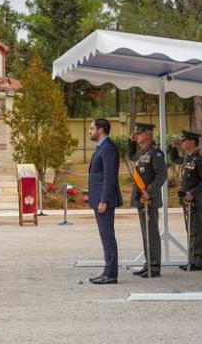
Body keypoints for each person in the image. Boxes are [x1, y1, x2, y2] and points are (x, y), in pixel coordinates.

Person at [168, 130, 202, 271]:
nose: (182, 143)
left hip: (195, 200)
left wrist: (192, 193)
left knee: (197, 231)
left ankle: (198, 261)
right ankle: (192, 258)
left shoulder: (200, 159)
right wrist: (173, 148)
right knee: (190, 230)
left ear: (192, 142)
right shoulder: (189, 157)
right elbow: (175, 159)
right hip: (186, 200)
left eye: (184, 140)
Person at [128, 122, 167, 278]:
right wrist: (131, 142)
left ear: (148, 134)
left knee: (151, 233)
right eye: (136, 133)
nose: (137, 135)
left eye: (140, 133)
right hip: (141, 198)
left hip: (148, 199)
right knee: (146, 233)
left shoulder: (155, 153)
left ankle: (154, 267)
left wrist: (149, 192)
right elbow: (131, 157)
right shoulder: (142, 152)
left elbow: (162, 175)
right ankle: (148, 263)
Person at [86, 119, 122, 285]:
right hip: (99, 198)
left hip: (104, 200)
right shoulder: (101, 147)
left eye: (92, 128)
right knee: (104, 236)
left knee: (108, 237)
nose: (89, 131)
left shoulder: (108, 148)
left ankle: (111, 274)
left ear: (101, 130)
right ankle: (108, 271)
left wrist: (104, 200)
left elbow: (109, 177)